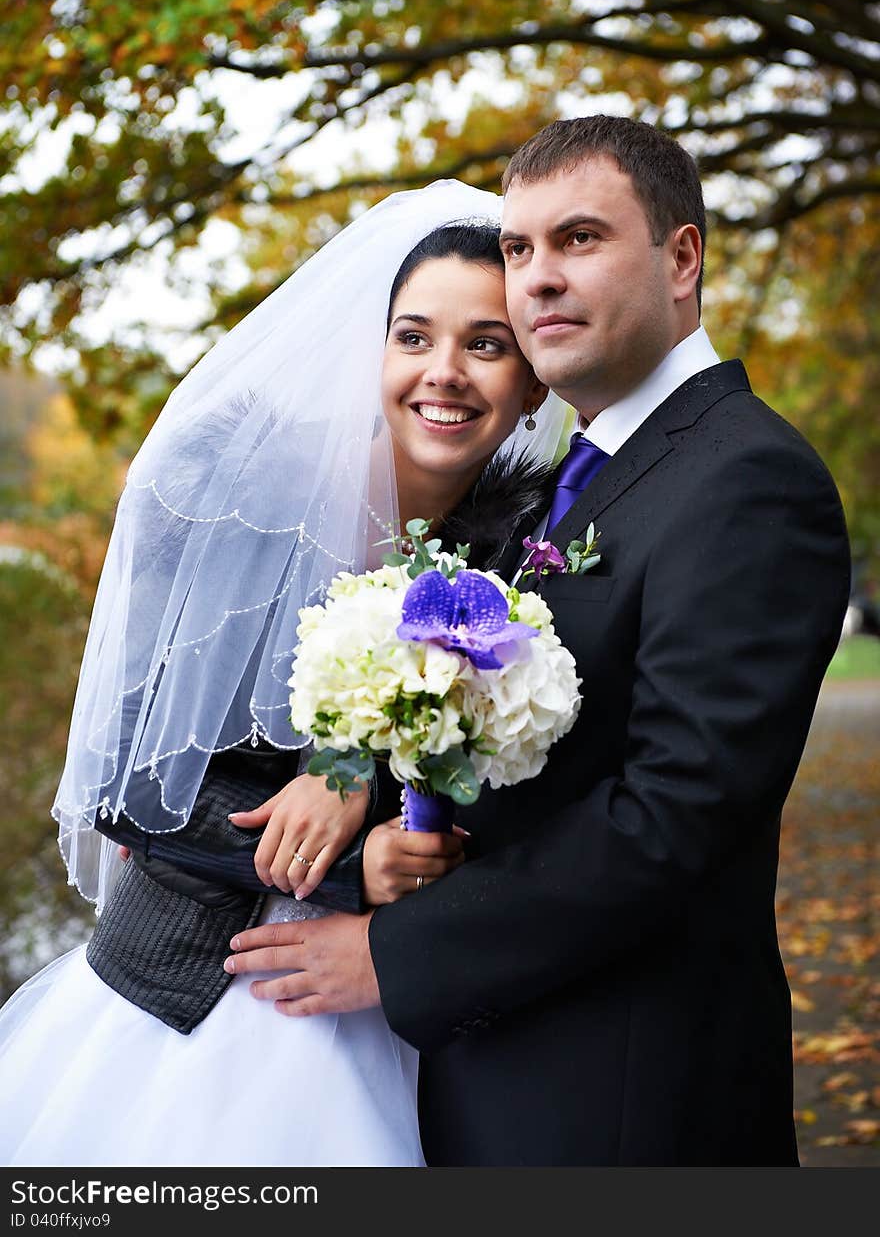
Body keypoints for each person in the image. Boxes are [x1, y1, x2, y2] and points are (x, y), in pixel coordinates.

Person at [227, 115, 852, 1165]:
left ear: (681, 257)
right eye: (519, 250)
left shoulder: (747, 479)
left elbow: (674, 813)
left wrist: (399, 954)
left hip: (619, 1097)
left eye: (579, 240)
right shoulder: (586, 476)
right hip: (511, 1065)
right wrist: (373, 792)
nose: (537, 280)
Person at [0, 180, 566, 1167]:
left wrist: (399, 830)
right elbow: (134, 782)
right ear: (376, 351)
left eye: (485, 344)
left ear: (533, 382)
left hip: (409, 1006)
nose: (444, 372)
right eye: (413, 336)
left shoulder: (534, 559)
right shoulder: (234, 511)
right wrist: (355, 860)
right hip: (194, 998)